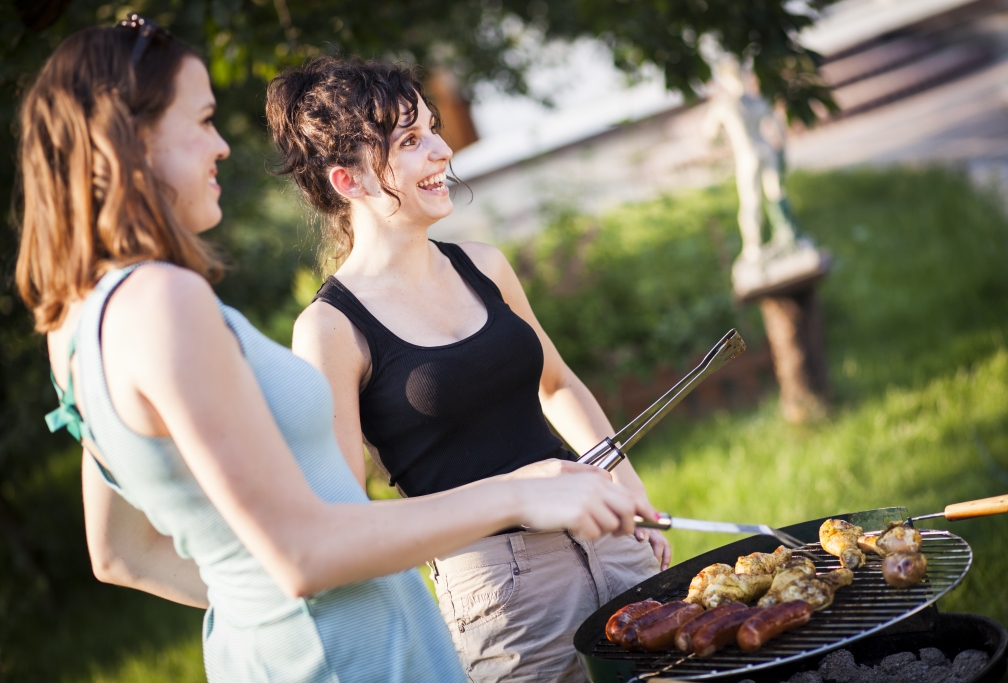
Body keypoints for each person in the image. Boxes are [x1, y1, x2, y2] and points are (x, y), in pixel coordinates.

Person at [16, 19, 655, 683]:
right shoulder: (165, 301)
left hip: (329, 639)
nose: (224, 145)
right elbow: (307, 548)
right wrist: (517, 496)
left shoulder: (76, 322)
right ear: (131, 138)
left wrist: (256, 597)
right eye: (203, 119)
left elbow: (121, 553)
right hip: (349, 655)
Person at [269, 57, 672, 683]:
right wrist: (513, 495)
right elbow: (347, 517)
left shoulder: (485, 265)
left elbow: (557, 383)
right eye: (410, 141)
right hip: (500, 592)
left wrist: (625, 484)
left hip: (611, 538)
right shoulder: (327, 331)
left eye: (431, 129)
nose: (442, 150)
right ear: (348, 182)